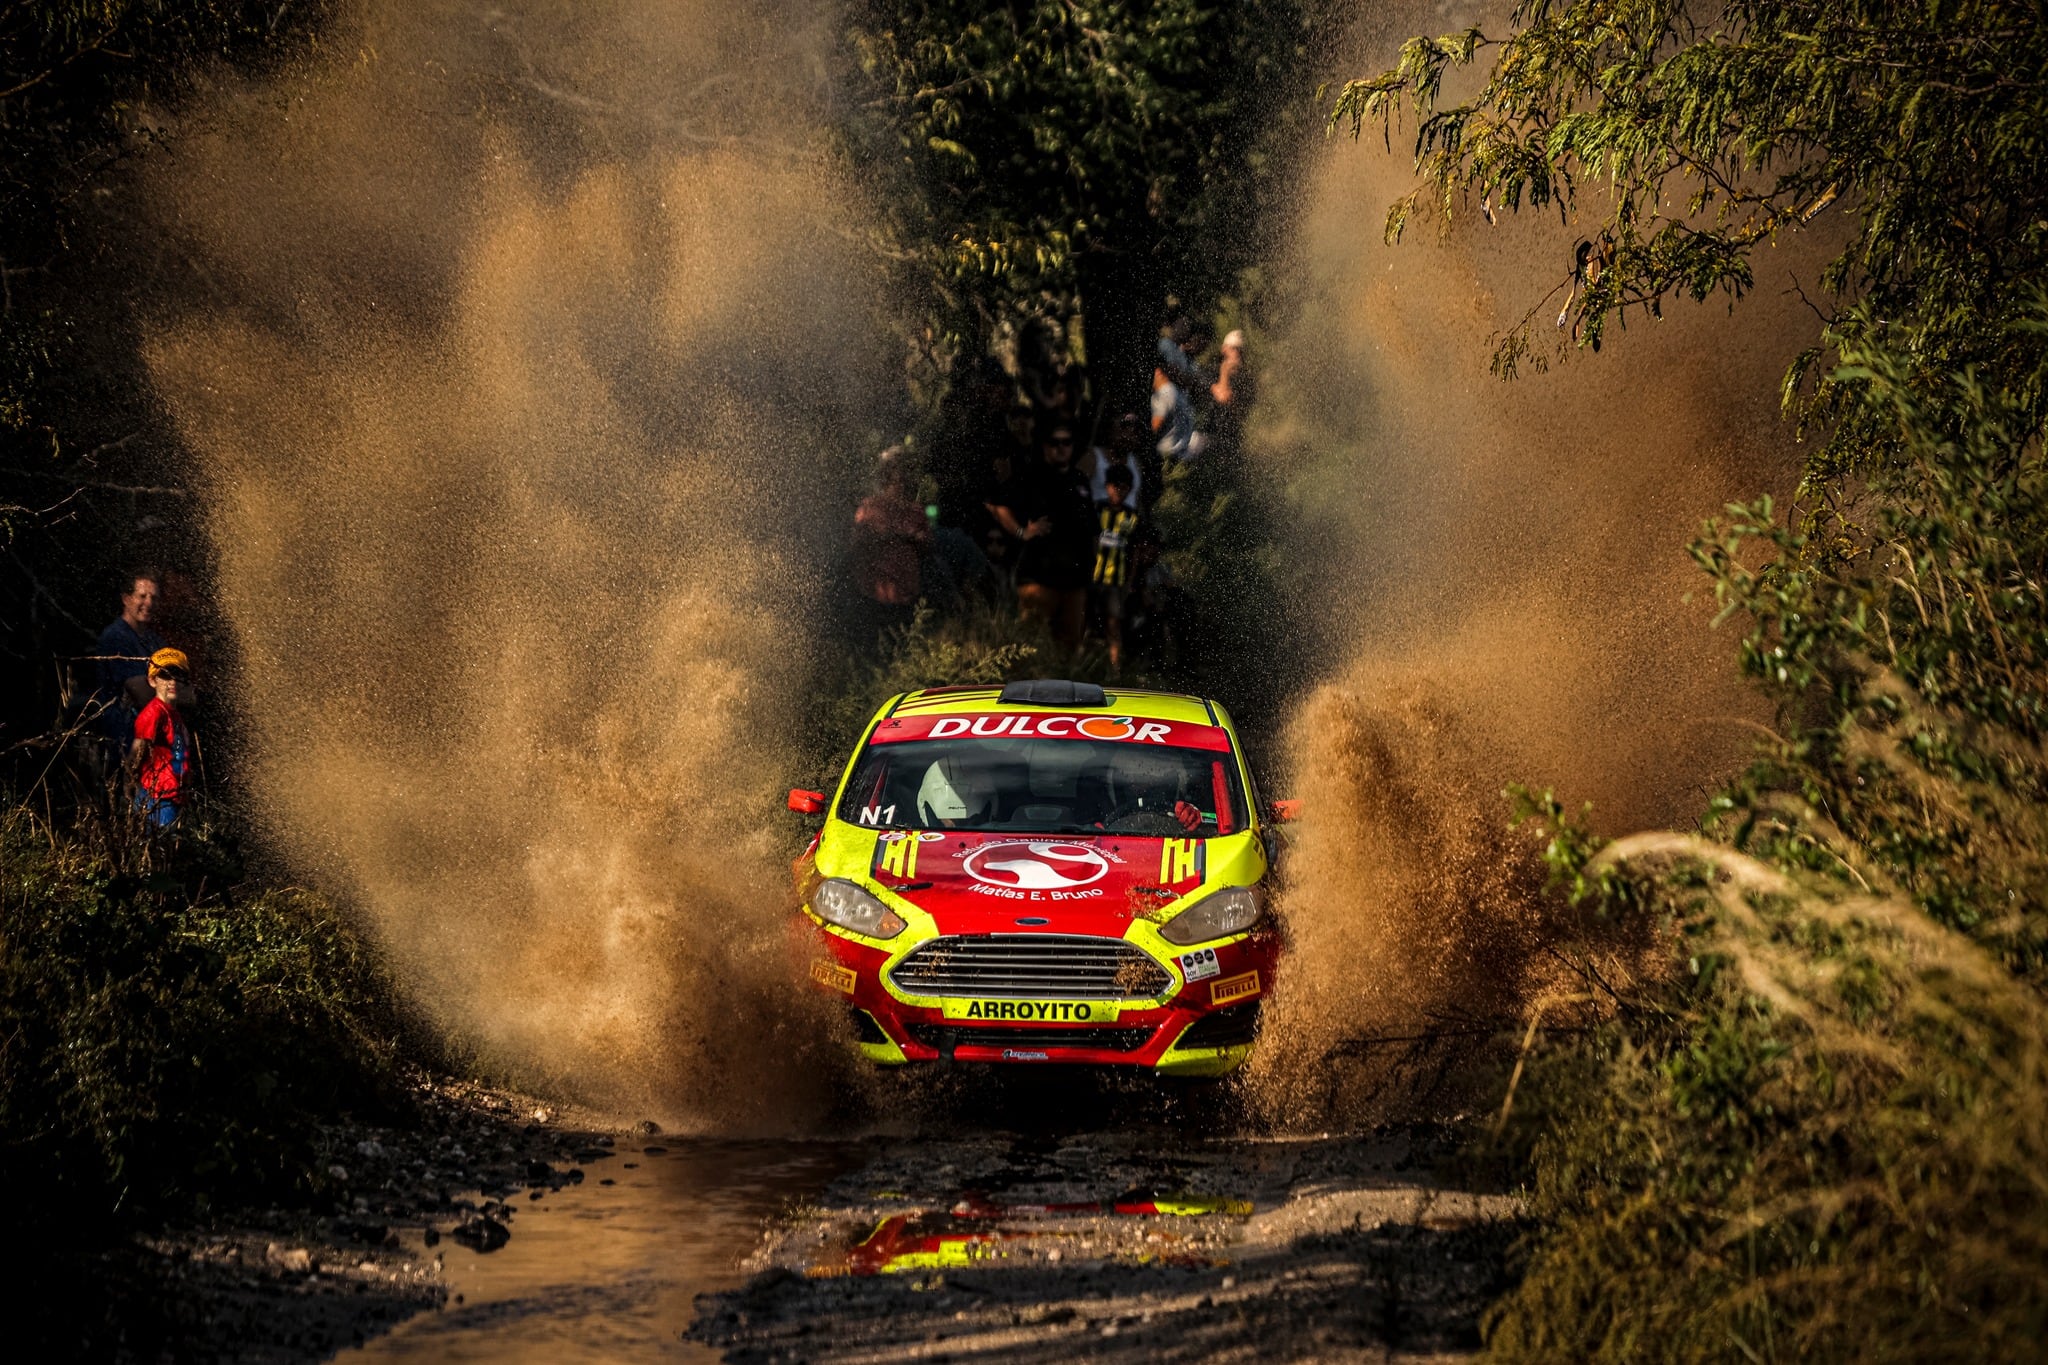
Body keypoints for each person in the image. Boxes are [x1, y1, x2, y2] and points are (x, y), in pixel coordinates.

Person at [994, 420, 1094, 650]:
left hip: (1075, 581)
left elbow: (1091, 527)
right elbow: (999, 506)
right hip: (1038, 580)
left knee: (1068, 649)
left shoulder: (1080, 481)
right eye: (1054, 442)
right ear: (1045, 447)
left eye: (1066, 442)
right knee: (1030, 646)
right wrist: (1021, 532)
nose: (1061, 447)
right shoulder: (1032, 476)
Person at [850, 449, 931, 634]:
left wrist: (913, 539)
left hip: (908, 602)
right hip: (874, 602)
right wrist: (892, 536)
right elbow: (857, 545)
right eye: (897, 478)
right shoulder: (870, 509)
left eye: (906, 477)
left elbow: (928, 547)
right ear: (885, 479)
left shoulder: (916, 512)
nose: (903, 483)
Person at [95, 570, 167, 746]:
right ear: (126, 599)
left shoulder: (155, 641)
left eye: (154, 598)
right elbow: (139, 690)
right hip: (122, 734)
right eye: (142, 596)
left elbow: (180, 683)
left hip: (153, 733)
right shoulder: (115, 637)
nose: (148, 603)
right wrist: (173, 690)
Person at [129, 647, 195, 829]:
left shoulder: (174, 714)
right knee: (161, 846)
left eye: (178, 675)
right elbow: (138, 750)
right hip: (156, 796)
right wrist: (129, 783)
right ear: (152, 680)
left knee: (171, 846)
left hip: (172, 795)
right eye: (165, 675)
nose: (172, 681)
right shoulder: (154, 713)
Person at [1090, 463, 1143, 674]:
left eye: (1123, 487)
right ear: (1107, 486)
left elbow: (1135, 552)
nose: (1118, 491)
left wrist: (1130, 581)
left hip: (1116, 580)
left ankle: (1115, 671)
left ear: (1129, 489)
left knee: (1114, 624)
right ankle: (1077, 664)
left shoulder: (1132, 517)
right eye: (1114, 486)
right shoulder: (1097, 509)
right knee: (1085, 621)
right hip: (1092, 577)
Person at [1208, 329, 1256, 465]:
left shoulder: (1247, 380)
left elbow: (1240, 412)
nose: (1238, 354)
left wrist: (1225, 375)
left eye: (1240, 350)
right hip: (1208, 433)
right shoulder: (1211, 371)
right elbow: (1221, 397)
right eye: (1233, 349)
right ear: (1224, 349)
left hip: (1231, 440)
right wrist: (1224, 373)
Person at [1087, 410, 1148, 511]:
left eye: (1135, 431)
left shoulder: (1136, 463)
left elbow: (1137, 501)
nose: (1128, 434)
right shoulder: (1093, 457)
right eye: (1123, 427)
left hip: (1127, 523)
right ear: (1111, 430)